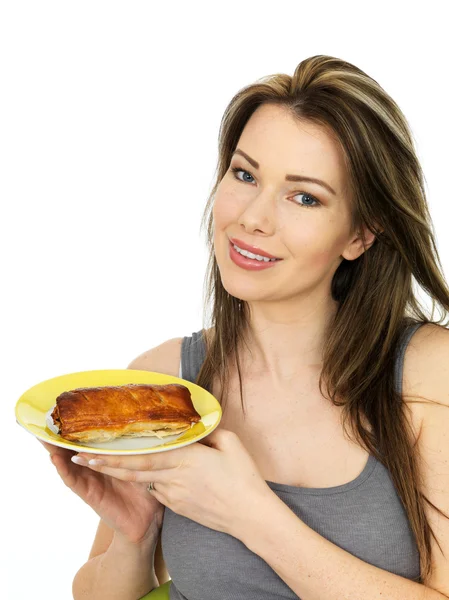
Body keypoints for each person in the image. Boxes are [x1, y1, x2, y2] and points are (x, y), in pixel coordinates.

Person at [41, 54, 449, 600]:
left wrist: (250, 514)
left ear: (361, 234)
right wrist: (133, 537)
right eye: (245, 173)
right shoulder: (168, 382)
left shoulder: (429, 376)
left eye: (305, 196)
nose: (253, 217)